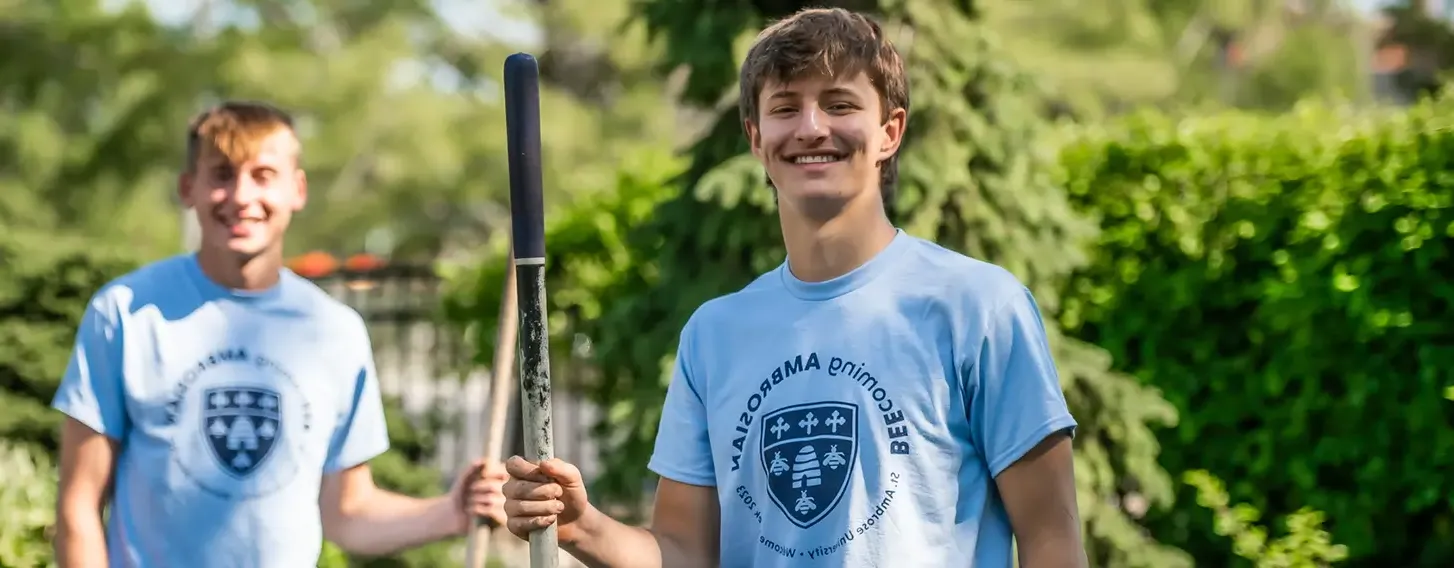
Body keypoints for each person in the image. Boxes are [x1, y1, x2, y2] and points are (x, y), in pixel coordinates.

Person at [501, 7, 1088, 568]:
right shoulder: (715, 334)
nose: (811, 128)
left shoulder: (977, 306)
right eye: (786, 108)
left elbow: (1053, 540)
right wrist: (580, 525)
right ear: (756, 139)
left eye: (839, 104)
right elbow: (685, 552)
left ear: (890, 131)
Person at [51, 100, 509, 568]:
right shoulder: (127, 313)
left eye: (263, 175)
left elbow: (348, 513)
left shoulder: (335, 331)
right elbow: (78, 506)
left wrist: (450, 511)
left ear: (298, 189)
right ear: (189, 188)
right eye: (222, 174)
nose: (242, 196)